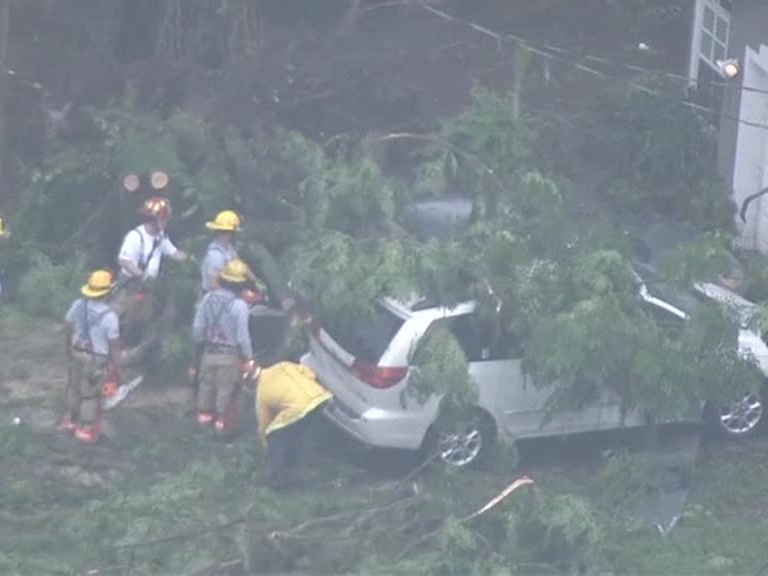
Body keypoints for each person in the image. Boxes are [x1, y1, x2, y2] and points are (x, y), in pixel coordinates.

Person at [113, 196, 189, 345]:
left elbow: (174, 252)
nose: (166, 222)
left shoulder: (160, 237)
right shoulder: (135, 237)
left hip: (147, 287)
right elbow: (124, 260)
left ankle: (133, 349)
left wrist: (191, 259)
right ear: (155, 219)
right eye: (164, 219)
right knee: (125, 321)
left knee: (143, 321)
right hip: (131, 286)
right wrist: (140, 274)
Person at [192, 258, 255, 435]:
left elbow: (197, 328)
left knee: (205, 390)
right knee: (225, 394)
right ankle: (221, 432)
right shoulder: (240, 306)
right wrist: (248, 357)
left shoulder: (208, 298)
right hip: (229, 357)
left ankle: (202, 429)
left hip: (208, 353)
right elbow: (242, 337)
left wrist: (199, 347)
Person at [62, 269, 121, 444]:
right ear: (107, 292)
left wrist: (67, 349)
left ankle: (70, 421)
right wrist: (115, 367)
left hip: (76, 352)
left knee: (74, 387)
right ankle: (85, 429)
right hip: (95, 360)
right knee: (90, 395)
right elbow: (114, 345)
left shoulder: (78, 305)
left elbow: (67, 326)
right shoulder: (110, 317)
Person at [253, 361, 332, 490]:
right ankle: (295, 461)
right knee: (295, 431)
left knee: (274, 436)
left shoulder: (261, 392)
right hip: (320, 397)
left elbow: (264, 425)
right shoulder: (283, 365)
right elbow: (309, 373)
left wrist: (265, 445)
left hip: (299, 408)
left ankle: (279, 478)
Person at [201, 210, 259, 294]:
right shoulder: (216, 256)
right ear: (230, 233)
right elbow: (212, 285)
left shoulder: (228, 249)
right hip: (215, 298)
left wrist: (255, 281)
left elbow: (239, 265)